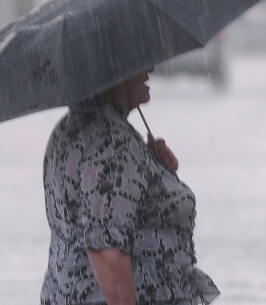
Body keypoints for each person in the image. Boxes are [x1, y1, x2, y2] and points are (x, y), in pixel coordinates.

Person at [40, 67, 219, 305]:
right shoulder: (110, 141)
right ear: (112, 74)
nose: (149, 69)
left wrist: (159, 175)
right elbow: (105, 249)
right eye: (137, 65)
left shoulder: (73, 127)